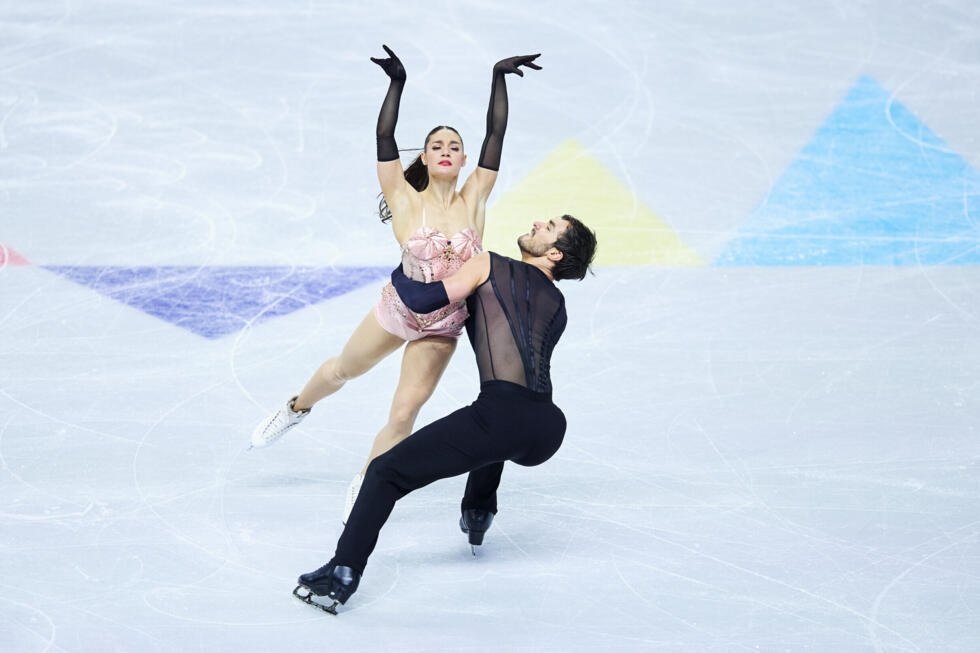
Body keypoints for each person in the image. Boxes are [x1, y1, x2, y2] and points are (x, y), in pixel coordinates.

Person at [249, 45, 543, 522]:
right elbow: (385, 135)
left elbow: (496, 133)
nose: (446, 152)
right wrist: (397, 83)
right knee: (342, 371)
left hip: (441, 326)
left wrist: (498, 77)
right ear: (425, 157)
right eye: (436, 146)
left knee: (403, 413)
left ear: (465, 159)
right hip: (398, 310)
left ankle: (367, 482)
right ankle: (296, 407)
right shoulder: (404, 197)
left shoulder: (475, 197)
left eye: (454, 147)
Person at [292, 214, 598, 615]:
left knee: (385, 472)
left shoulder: (492, 264)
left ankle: (341, 574)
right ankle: (478, 512)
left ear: (555, 252)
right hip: (547, 427)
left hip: (503, 417)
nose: (538, 222)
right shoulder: (558, 305)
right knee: (493, 436)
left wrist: (403, 271)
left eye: (550, 226)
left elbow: (423, 300)